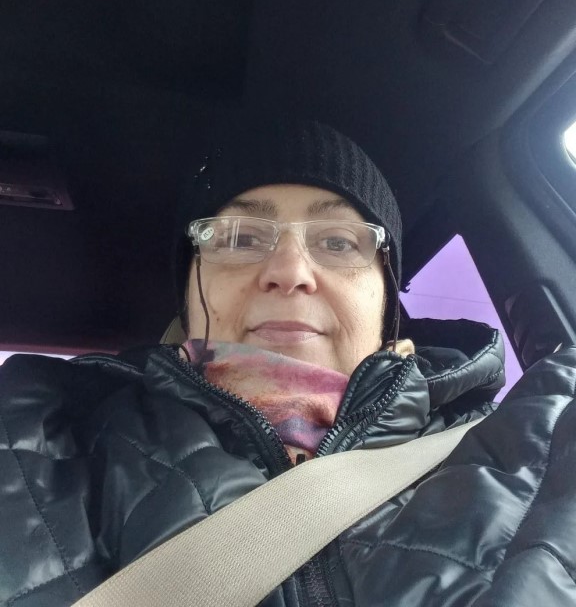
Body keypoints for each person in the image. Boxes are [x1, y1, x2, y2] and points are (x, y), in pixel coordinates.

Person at [1, 119, 576, 607]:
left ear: (386, 303)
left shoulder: (542, 448)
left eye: (338, 242)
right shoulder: (28, 436)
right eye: (240, 238)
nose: (290, 270)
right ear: (188, 296)